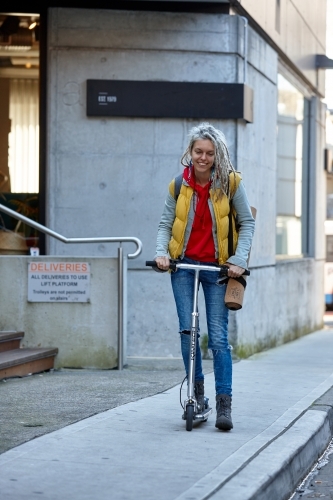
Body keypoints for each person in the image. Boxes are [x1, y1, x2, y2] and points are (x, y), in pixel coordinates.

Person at [154, 122, 255, 431]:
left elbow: (247, 223)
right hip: (183, 267)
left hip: (219, 269)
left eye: (209, 153)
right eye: (198, 151)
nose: (203, 157)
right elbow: (165, 224)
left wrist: (238, 260)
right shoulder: (177, 185)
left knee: (219, 339)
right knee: (188, 334)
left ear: (217, 154)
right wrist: (162, 253)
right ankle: (197, 397)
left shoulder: (231, 184)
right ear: (190, 152)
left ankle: (224, 403)